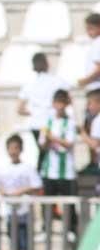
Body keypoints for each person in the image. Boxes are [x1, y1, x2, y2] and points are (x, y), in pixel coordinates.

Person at [0, 134, 43, 250]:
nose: (13, 151)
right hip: (12, 213)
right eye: (11, 148)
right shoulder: (4, 169)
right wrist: (6, 193)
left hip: (25, 212)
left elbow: (37, 186)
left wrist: (20, 191)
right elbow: (0, 187)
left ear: (21, 149)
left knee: (26, 248)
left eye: (16, 148)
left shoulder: (27, 168)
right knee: (14, 247)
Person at [18, 52, 69, 171]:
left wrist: (34, 112)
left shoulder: (28, 84)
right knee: (50, 153)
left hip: (36, 123)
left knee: (44, 153)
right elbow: (67, 99)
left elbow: (20, 109)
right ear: (47, 64)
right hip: (52, 122)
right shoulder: (57, 81)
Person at [39, 89, 78, 237]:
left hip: (66, 170)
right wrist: (47, 140)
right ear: (54, 104)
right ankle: (46, 229)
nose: (60, 107)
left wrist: (53, 138)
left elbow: (69, 143)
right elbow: (42, 145)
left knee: (69, 202)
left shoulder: (70, 122)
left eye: (62, 103)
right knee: (48, 202)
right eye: (57, 103)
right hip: (49, 169)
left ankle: (70, 229)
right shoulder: (48, 121)